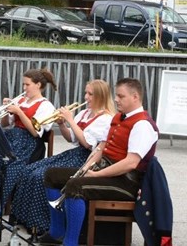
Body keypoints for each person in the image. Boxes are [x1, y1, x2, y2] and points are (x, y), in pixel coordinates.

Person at [39, 78, 159, 246]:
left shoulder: (143, 125)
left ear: (135, 97)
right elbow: (101, 148)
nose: (116, 99)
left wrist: (96, 174)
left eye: (121, 96)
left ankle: (70, 242)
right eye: (116, 95)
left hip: (125, 182)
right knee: (52, 174)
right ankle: (57, 231)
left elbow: (130, 163)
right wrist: (85, 168)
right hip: (107, 171)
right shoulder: (118, 117)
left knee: (76, 186)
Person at [12, 80, 114, 238]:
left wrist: (71, 120)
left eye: (90, 94)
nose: (86, 97)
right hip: (75, 153)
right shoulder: (85, 113)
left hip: (86, 159)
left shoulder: (106, 119)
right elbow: (71, 138)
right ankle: (25, 219)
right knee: (29, 170)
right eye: (86, 93)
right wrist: (62, 125)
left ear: (101, 96)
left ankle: (42, 224)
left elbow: (87, 143)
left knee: (41, 175)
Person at [0, 68, 57, 201]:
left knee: (7, 160)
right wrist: (7, 110)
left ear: (38, 85)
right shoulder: (21, 101)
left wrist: (19, 112)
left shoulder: (46, 106)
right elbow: (5, 124)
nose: (24, 88)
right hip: (12, 137)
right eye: (24, 84)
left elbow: (35, 132)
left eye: (27, 85)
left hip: (28, 144)